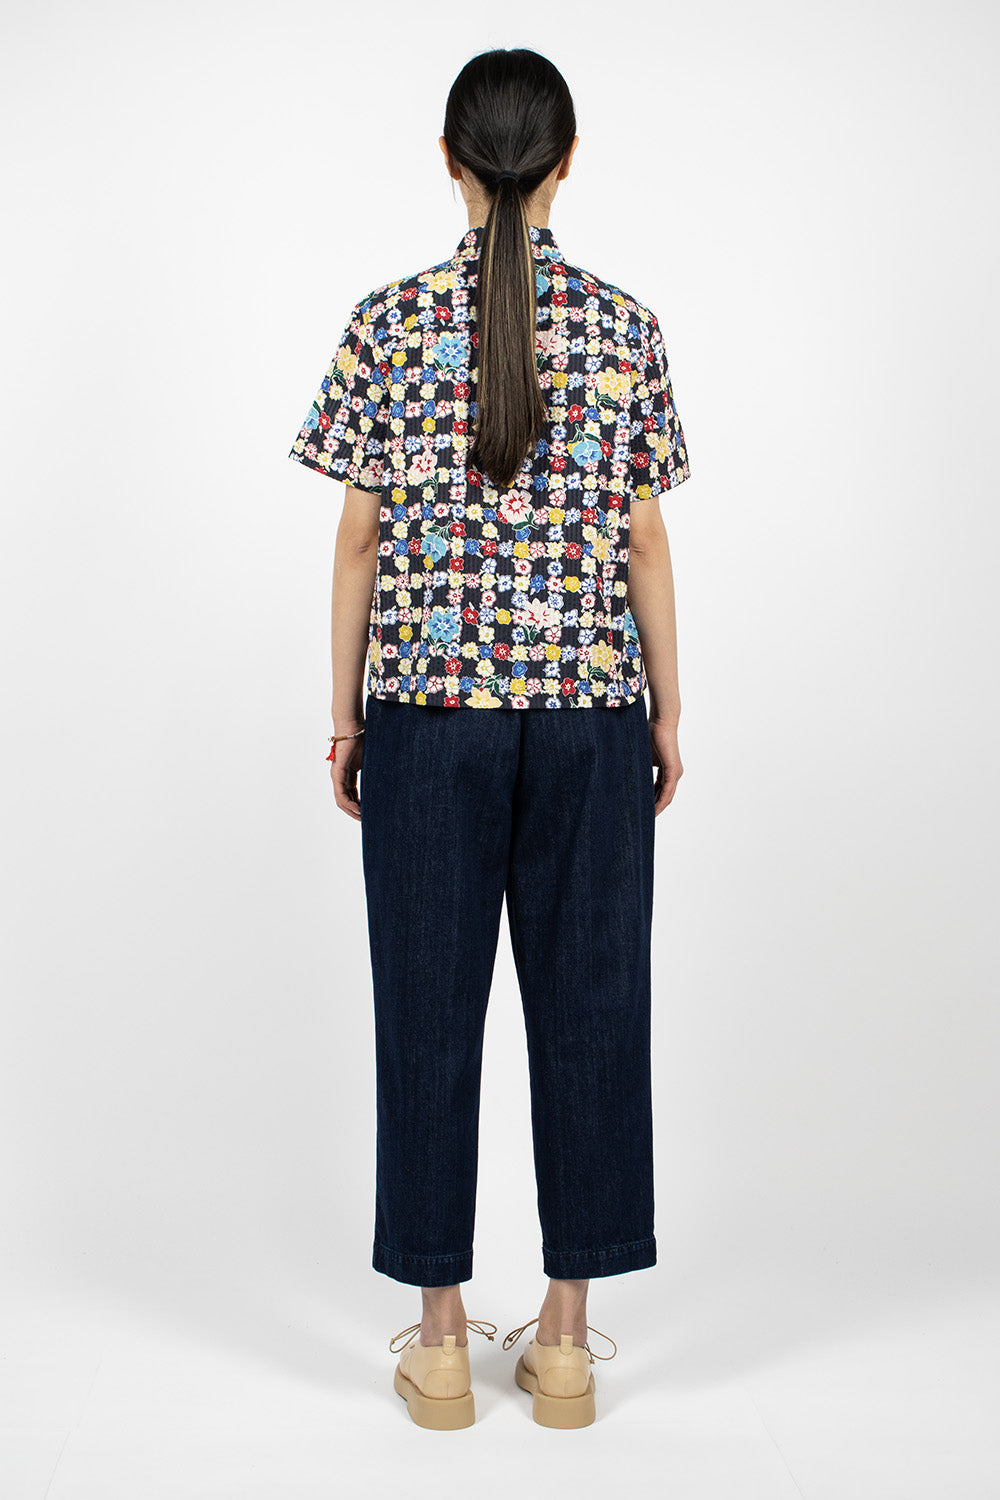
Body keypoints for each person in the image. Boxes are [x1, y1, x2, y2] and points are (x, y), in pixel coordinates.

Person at [288, 46, 691, 1430]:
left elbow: (358, 542)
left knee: (426, 1011)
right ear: (567, 161)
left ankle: (444, 1339)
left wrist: (346, 717)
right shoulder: (626, 326)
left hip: (428, 724)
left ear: (450, 161)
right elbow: (644, 539)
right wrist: (666, 711)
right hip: (589, 723)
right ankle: (566, 1346)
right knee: (594, 1010)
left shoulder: (387, 323)